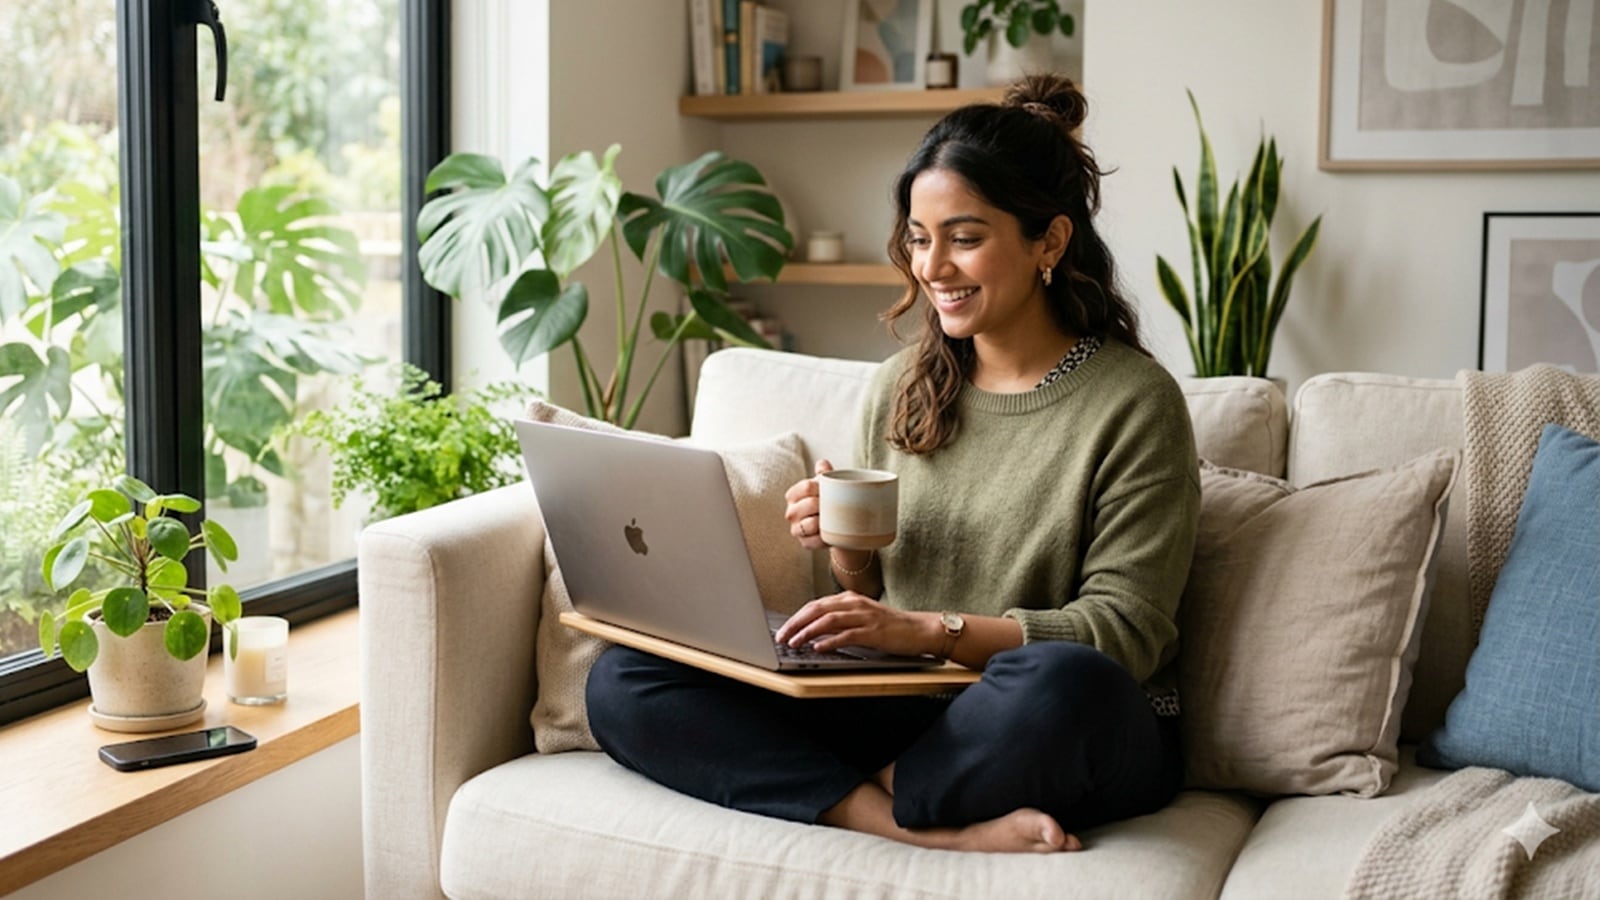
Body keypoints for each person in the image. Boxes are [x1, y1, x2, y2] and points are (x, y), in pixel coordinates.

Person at [587, 73, 1200, 854]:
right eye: (918, 237)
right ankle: (907, 821)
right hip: (908, 701)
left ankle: (855, 790)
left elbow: (1122, 634)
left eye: (965, 237)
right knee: (625, 679)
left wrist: (929, 632)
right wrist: (848, 558)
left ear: (1049, 241)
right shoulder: (903, 386)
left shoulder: (1134, 402)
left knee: (1070, 686)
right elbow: (870, 600)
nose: (931, 267)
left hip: (1043, 715)